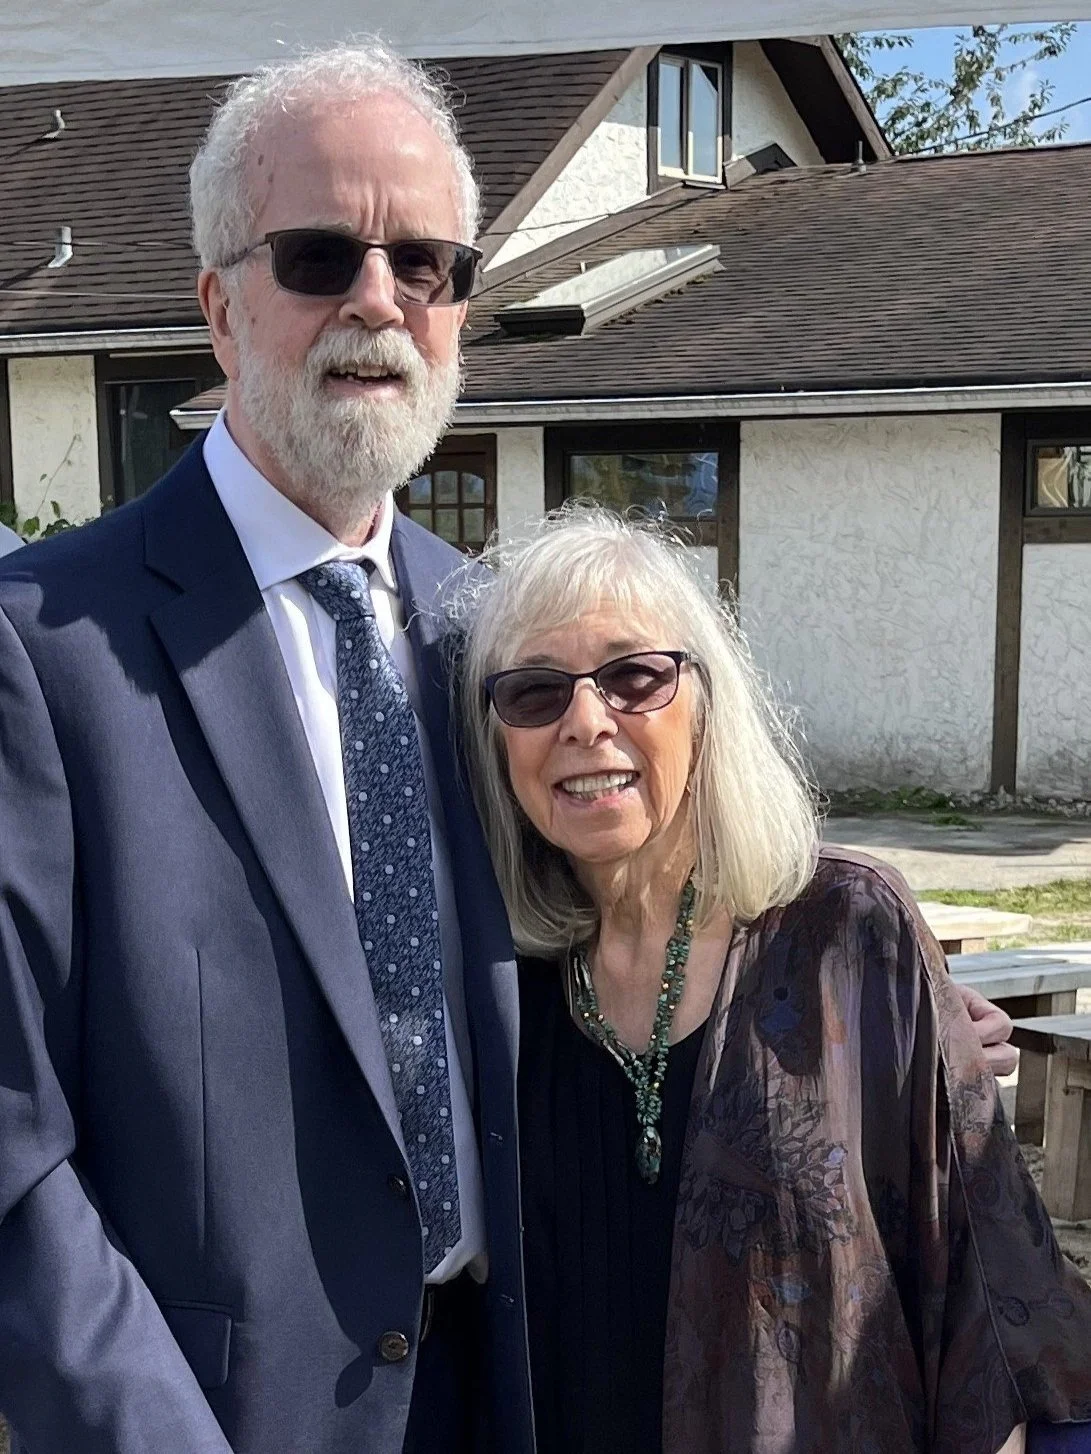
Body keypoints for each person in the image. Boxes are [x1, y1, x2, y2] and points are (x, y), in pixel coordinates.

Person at [0, 42, 533, 1454]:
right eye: (317, 257)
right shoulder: (43, 650)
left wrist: (863, 994)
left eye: (424, 263)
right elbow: (12, 1147)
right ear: (219, 309)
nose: (378, 300)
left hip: (507, 1394)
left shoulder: (495, 639)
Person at [451, 506, 1091, 1454]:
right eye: (535, 693)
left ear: (706, 703)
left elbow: (983, 1289)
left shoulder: (847, 930)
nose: (586, 722)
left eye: (634, 677)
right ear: (497, 741)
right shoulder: (499, 984)